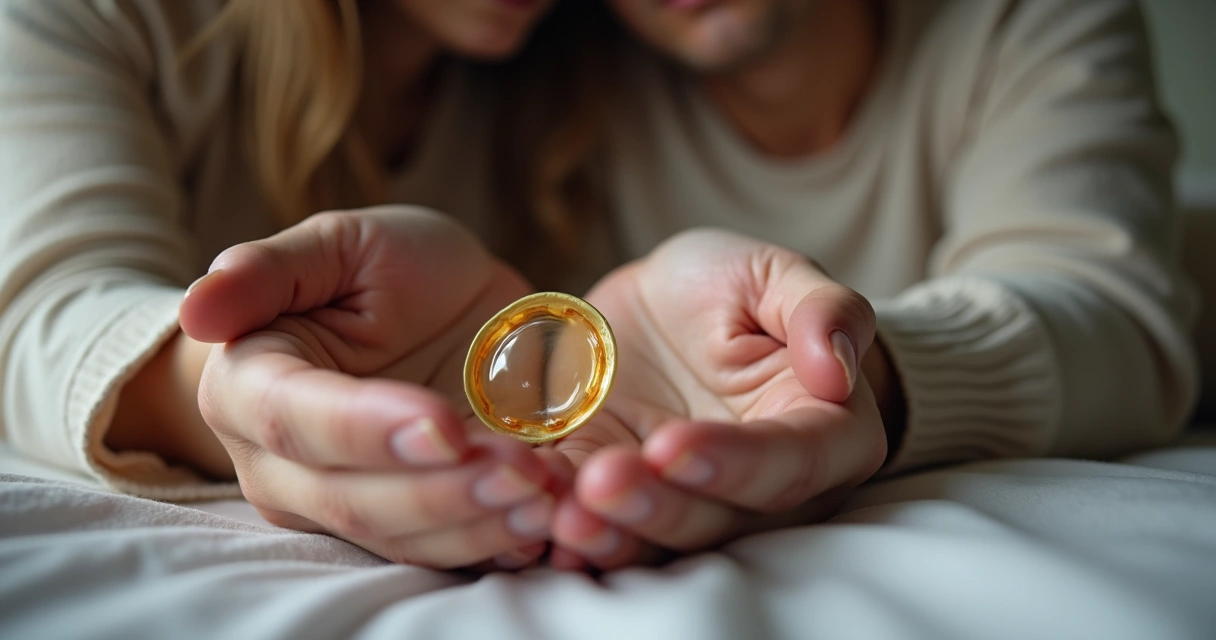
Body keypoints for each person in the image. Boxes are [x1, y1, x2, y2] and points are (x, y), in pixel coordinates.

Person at [0, 0, 1197, 575]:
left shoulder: (551, 78)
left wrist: (858, 373)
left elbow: (1109, 306)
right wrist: (237, 377)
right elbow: (41, 304)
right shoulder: (550, 76)